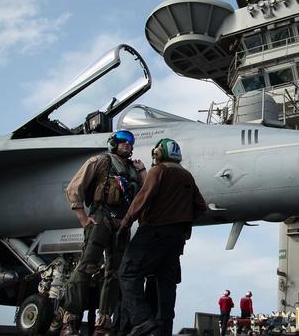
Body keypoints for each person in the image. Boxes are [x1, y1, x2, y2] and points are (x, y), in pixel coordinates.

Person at [118, 138, 207, 336]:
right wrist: (182, 220)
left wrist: (125, 223)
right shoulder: (187, 176)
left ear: (158, 153)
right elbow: (201, 208)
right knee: (166, 284)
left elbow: (142, 198)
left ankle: (141, 320)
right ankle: (163, 330)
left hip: (153, 231)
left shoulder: (158, 171)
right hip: (176, 239)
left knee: (128, 272)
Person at [62, 130, 147, 336]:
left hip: (121, 224)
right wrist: (82, 217)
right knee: (86, 267)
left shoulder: (133, 170)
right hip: (100, 219)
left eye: (130, 142)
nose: (127, 144)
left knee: (114, 274)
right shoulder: (100, 161)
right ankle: (70, 320)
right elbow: (74, 188)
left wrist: (143, 170)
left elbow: (147, 192)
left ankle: (103, 324)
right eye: (123, 141)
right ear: (113, 143)